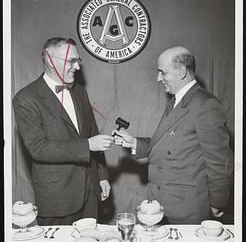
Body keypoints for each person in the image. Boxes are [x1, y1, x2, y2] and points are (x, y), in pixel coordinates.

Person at [113, 46, 233, 224]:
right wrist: (134, 143)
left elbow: (220, 161)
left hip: (185, 209)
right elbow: (170, 145)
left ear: (181, 71)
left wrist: (217, 202)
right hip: (160, 202)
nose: (158, 78)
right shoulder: (177, 100)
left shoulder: (205, 105)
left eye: (163, 73)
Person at [12, 37, 114, 226]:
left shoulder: (80, 91)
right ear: (50, 60)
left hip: (90, 193)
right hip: (57, 199)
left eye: (78, 61)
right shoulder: (25, 98)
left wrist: (102, 176)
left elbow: (92, 132)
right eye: (71, 61)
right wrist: (87, 145)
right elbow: (38, 148)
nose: (77, 67)